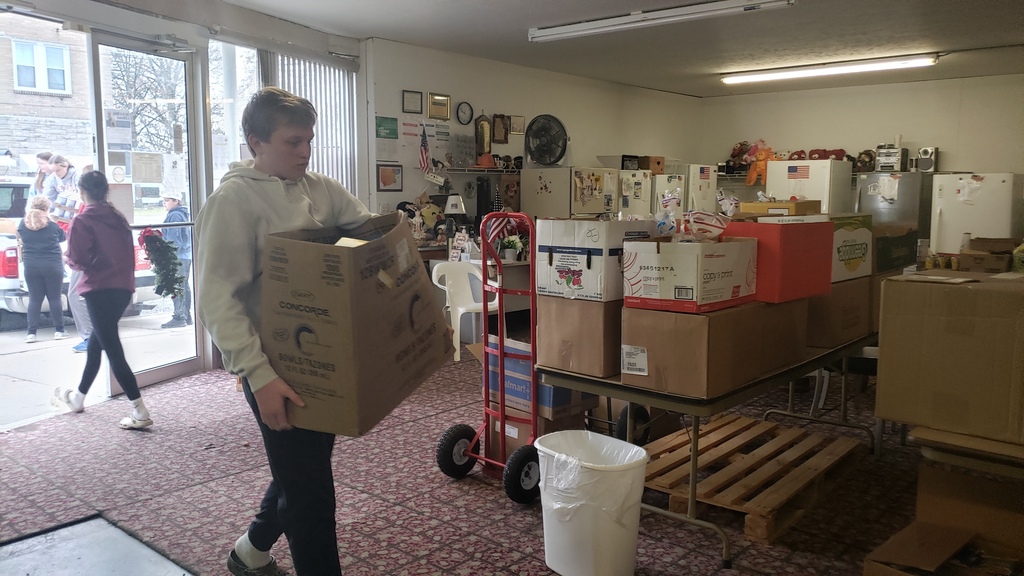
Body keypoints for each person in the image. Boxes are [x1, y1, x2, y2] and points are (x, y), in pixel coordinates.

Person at [195, 87, 372, 576]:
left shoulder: (317, 187)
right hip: (273, 365)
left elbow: (366, 229)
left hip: (321, 355)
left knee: (304, 466)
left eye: (309, 140)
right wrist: (258, 376)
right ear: (256, 141)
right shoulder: (232, 203)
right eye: (293, 141)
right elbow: (215, 300)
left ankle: (250, 552)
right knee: (311, 491)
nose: (304, 151)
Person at [52, 171, 152, 430]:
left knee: (113, 349)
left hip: (98, 289)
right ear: (105, 191)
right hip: (122, 288)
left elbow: (78, 259)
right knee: (97, 343)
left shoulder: (82, 220)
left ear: (82, 192)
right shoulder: (117, 218)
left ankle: (140, 410)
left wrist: (67, 259)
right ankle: (78, 398)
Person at [17, 196, 69, 343]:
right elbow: (62, 238)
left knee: (34, 299)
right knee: (54, 298)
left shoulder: (22, 224)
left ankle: (31, 333)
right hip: (52, 266)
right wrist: (52, 220)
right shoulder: (52, 226)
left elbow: (21, 236)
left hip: (31, 266)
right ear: (46, 209)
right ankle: (59, 330)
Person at [159, 189, 193, 328]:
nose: (164, 203)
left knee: (177, 286)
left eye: (167, 200)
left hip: (177, 256)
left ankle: (179, 317)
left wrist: (168, 255)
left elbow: (174, 240)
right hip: (185, 255)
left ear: (176, 201)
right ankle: (186, 315)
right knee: (184, 286)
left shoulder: (174, 216)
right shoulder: (183, 214)